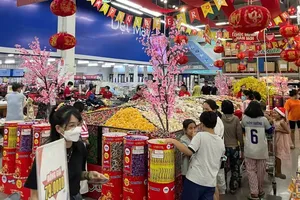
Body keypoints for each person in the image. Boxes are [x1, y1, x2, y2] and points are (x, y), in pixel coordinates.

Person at [25, 105, 108, 200]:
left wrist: (89, 175)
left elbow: (74, 174)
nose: (77, 129)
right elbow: (34, 193)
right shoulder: (46, 153)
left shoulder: (80, 148)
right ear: (59, 129)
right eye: (71, 125)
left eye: (78, 125)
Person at [165, 111, 225, 200]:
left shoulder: (200, 136)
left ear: (202, 123)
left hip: (195, 180)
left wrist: (174, 141)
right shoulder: (220, 141)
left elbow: (189, 152)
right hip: (210, 182)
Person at [241, 101, 272, 200]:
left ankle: (254, 193)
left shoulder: (245, 119)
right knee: (261, 171)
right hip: (262, 150)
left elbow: (242, 130)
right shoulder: (264, 120)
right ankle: (261, 190)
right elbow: (270, 131)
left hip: (249, 149)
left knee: (250, 171)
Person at [202, 99, 226, 196]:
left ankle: (219, 194)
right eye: (203, 109)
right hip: (215, 152)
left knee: (214, 178)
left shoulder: (215, 123)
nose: (204, 112)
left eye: (207, 109)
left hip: (214, 152)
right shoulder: (212, 120)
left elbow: (213, 139)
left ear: (214, 110)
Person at [221, 100, 244, 194]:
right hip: (234, 147)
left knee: (224, 167)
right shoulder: (236, 119)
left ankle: (224, 186)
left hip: (223, 147)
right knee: (235, 167)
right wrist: (242, 145)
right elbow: (239, 133)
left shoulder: (220, 118)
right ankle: (233, 186)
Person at [273, 107, 291, 179]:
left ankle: (279, 172)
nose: (274, 114)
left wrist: (278, 130)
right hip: (275, 139)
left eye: (275, 113)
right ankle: (276, 170)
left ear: (280, 115)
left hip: (280, 140)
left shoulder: (282, 122)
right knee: (275, 155)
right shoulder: (275, 120)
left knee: (278, 156)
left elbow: (288, 131)